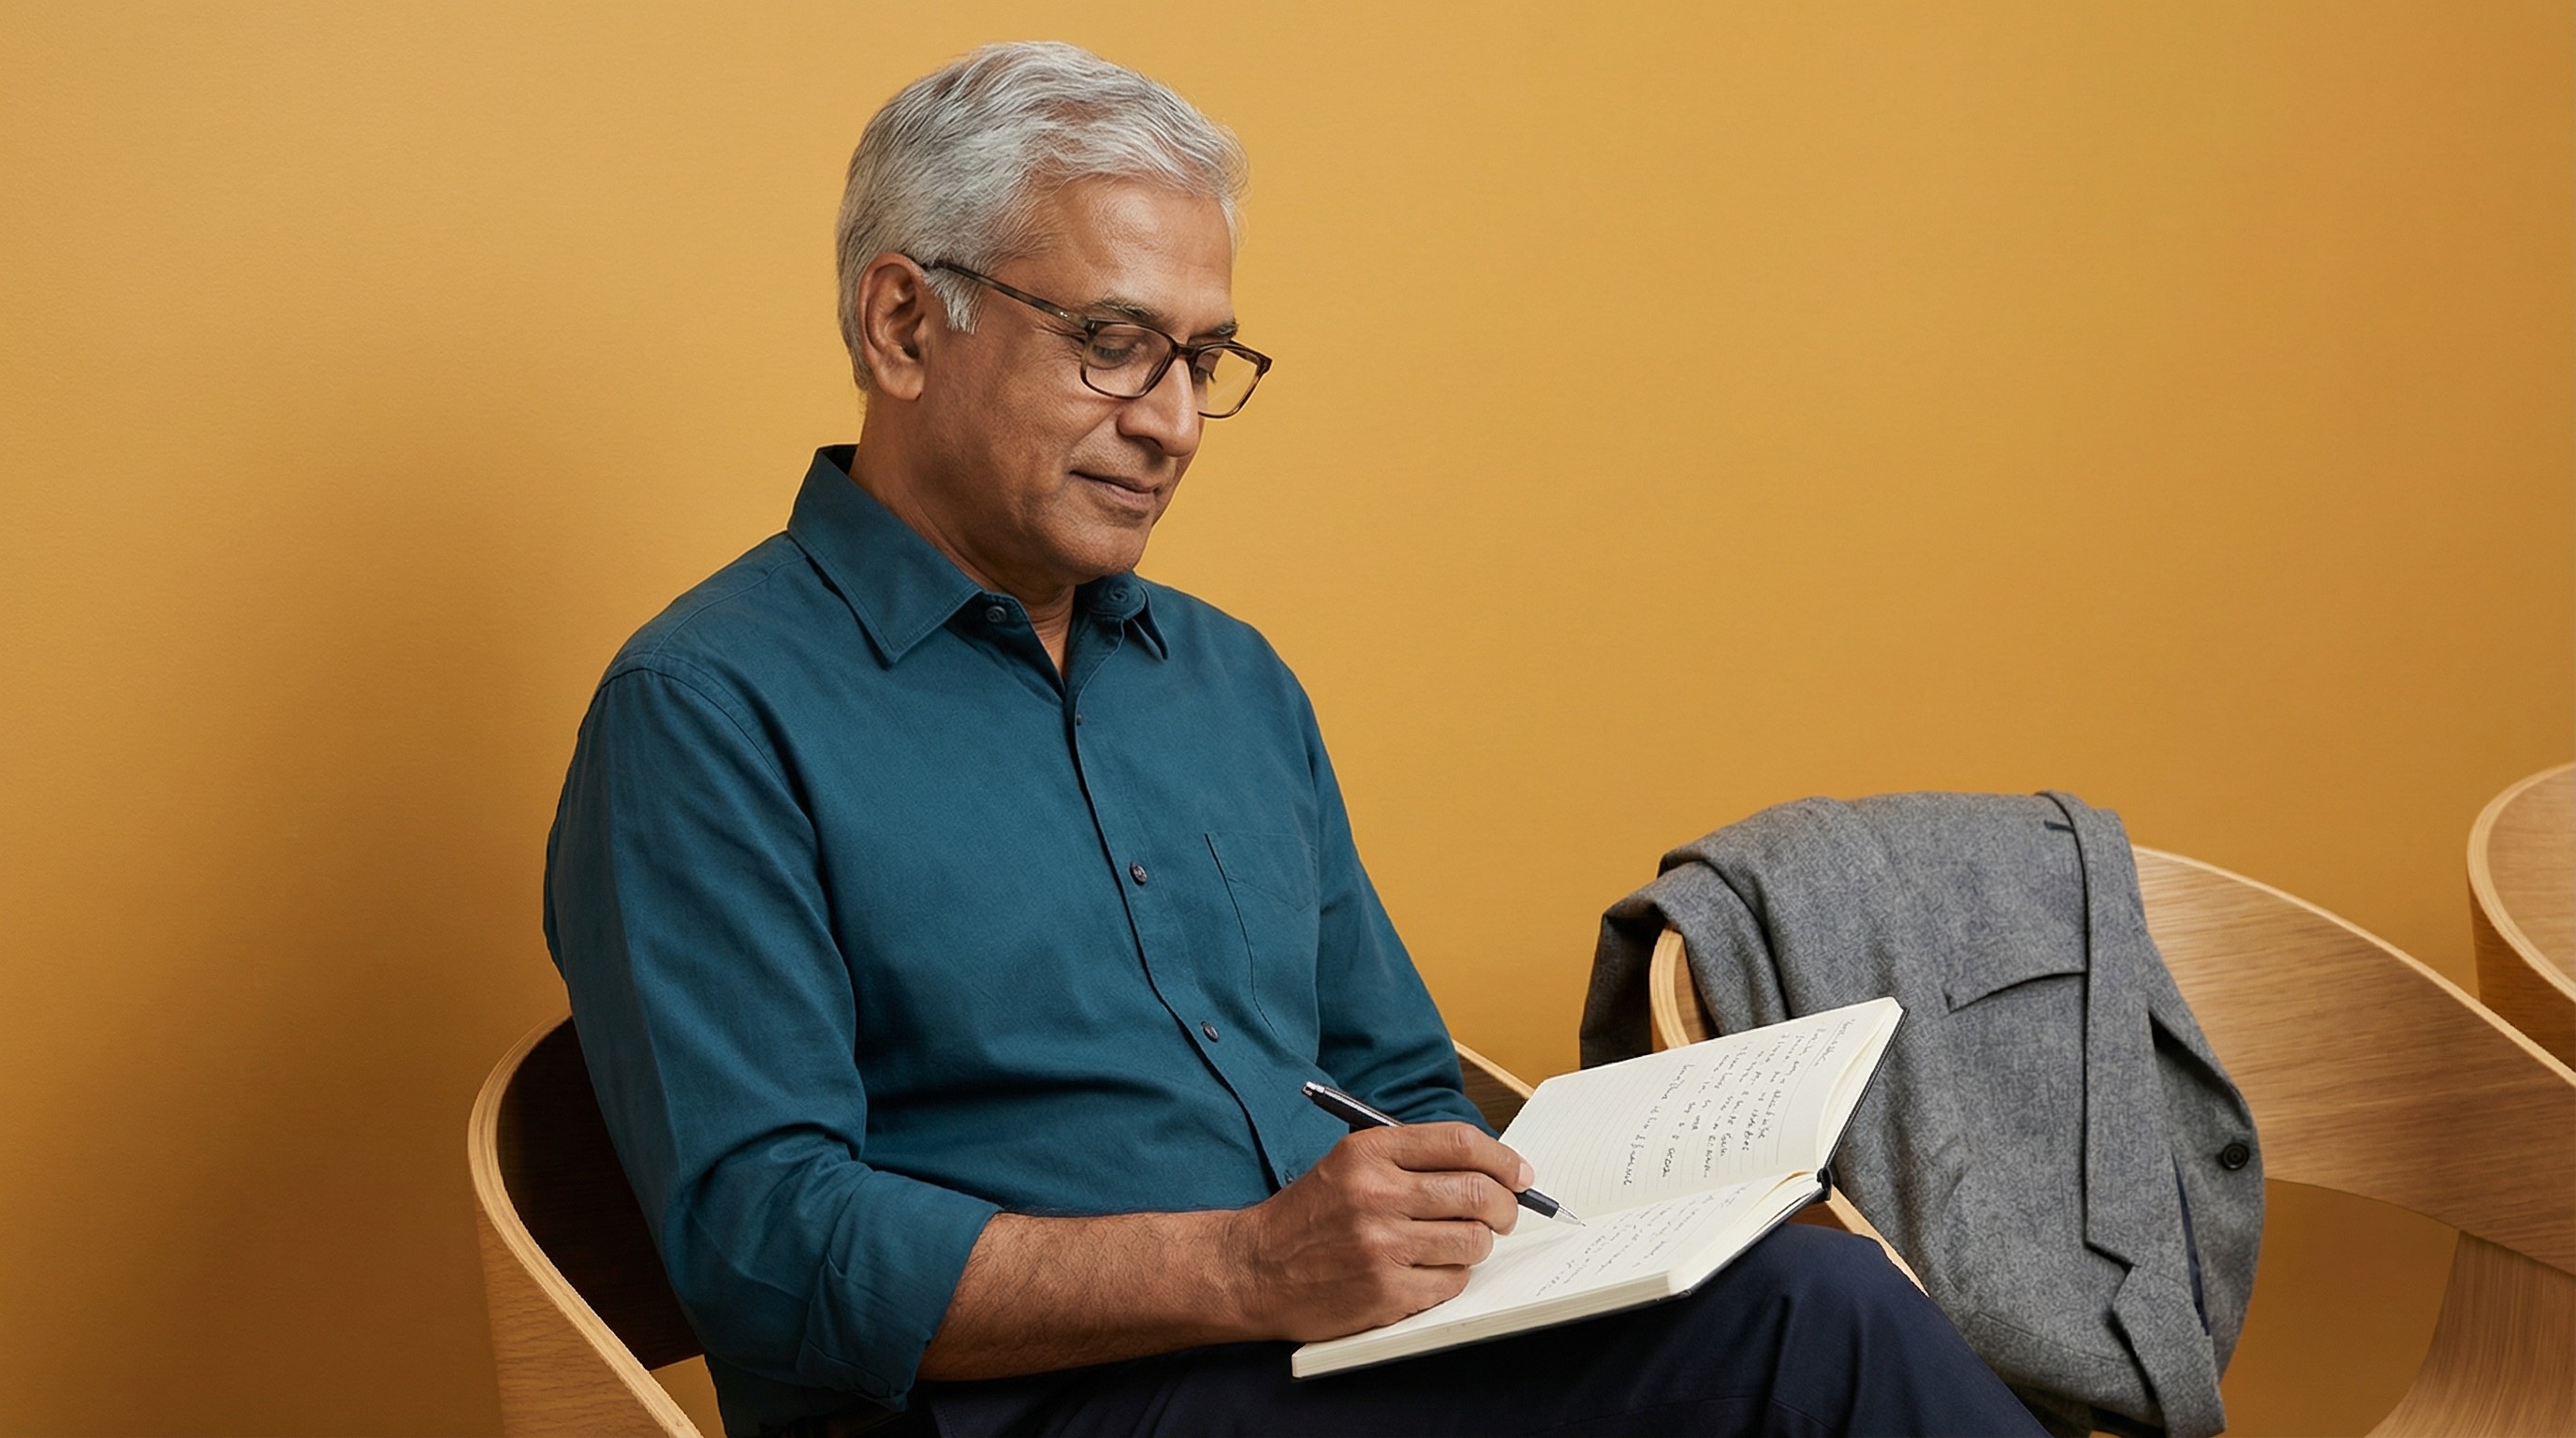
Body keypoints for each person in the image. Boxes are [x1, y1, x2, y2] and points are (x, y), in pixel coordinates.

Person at [544, 40, 2046, 1438]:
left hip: (1350, 1364)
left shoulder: (1230, 682)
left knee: (1784, 1285)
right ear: (901, 324)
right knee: (1816, 1332)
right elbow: (765, 1242)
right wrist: (1253, 1268)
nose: (1175, 423)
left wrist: (1614, 1221)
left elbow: (1397, 1082)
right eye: (1116, 343)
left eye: (1204, 360)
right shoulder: (704, 712)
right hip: (1043, 1410)